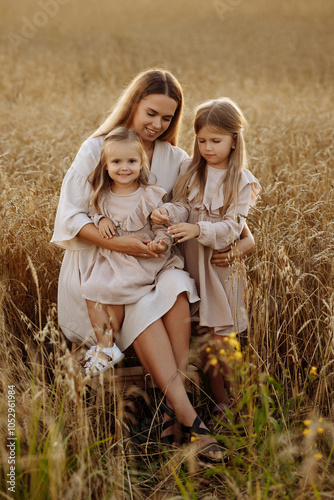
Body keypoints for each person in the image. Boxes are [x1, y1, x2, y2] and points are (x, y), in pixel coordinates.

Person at [51, 69, 254, 459]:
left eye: (167, 118)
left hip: (157, 263)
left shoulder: (174, 158)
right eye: (151, 113)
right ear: (133, 105)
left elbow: (204, 207)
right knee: (144, 307)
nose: (157, 125)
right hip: (105, 267)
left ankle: (168, 411)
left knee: (177, 289)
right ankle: (190, 419)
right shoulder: (97, 149)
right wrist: (126, 243)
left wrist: (246, 239)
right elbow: (72, 218)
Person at [151, 97, 261, 424]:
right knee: (204, 337)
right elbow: (183, 206)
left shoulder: (240, 181)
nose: (208, 148)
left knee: (223, 338)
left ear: (234, 140)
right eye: (201, 140)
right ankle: (220, 403)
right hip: (192, 264)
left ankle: (244, 405)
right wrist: (167, 212)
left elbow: (231, 228)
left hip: (219, 268)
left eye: (216, 140)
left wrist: (198, 228)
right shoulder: (191, 170)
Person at [81, 127, 185, 377]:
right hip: (115, 257)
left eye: (131, 161)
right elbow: (94, 212)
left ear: (142, 163)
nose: (124, 167)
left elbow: (161, 227)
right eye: (116, 161)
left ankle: (108, 347)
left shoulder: (149, 195)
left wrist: (161, 243)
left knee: (112, 289)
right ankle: (105, 345)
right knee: (91, 288)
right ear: (105, 165)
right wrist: (101, 219)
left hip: (142, 258)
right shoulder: (102, 195)